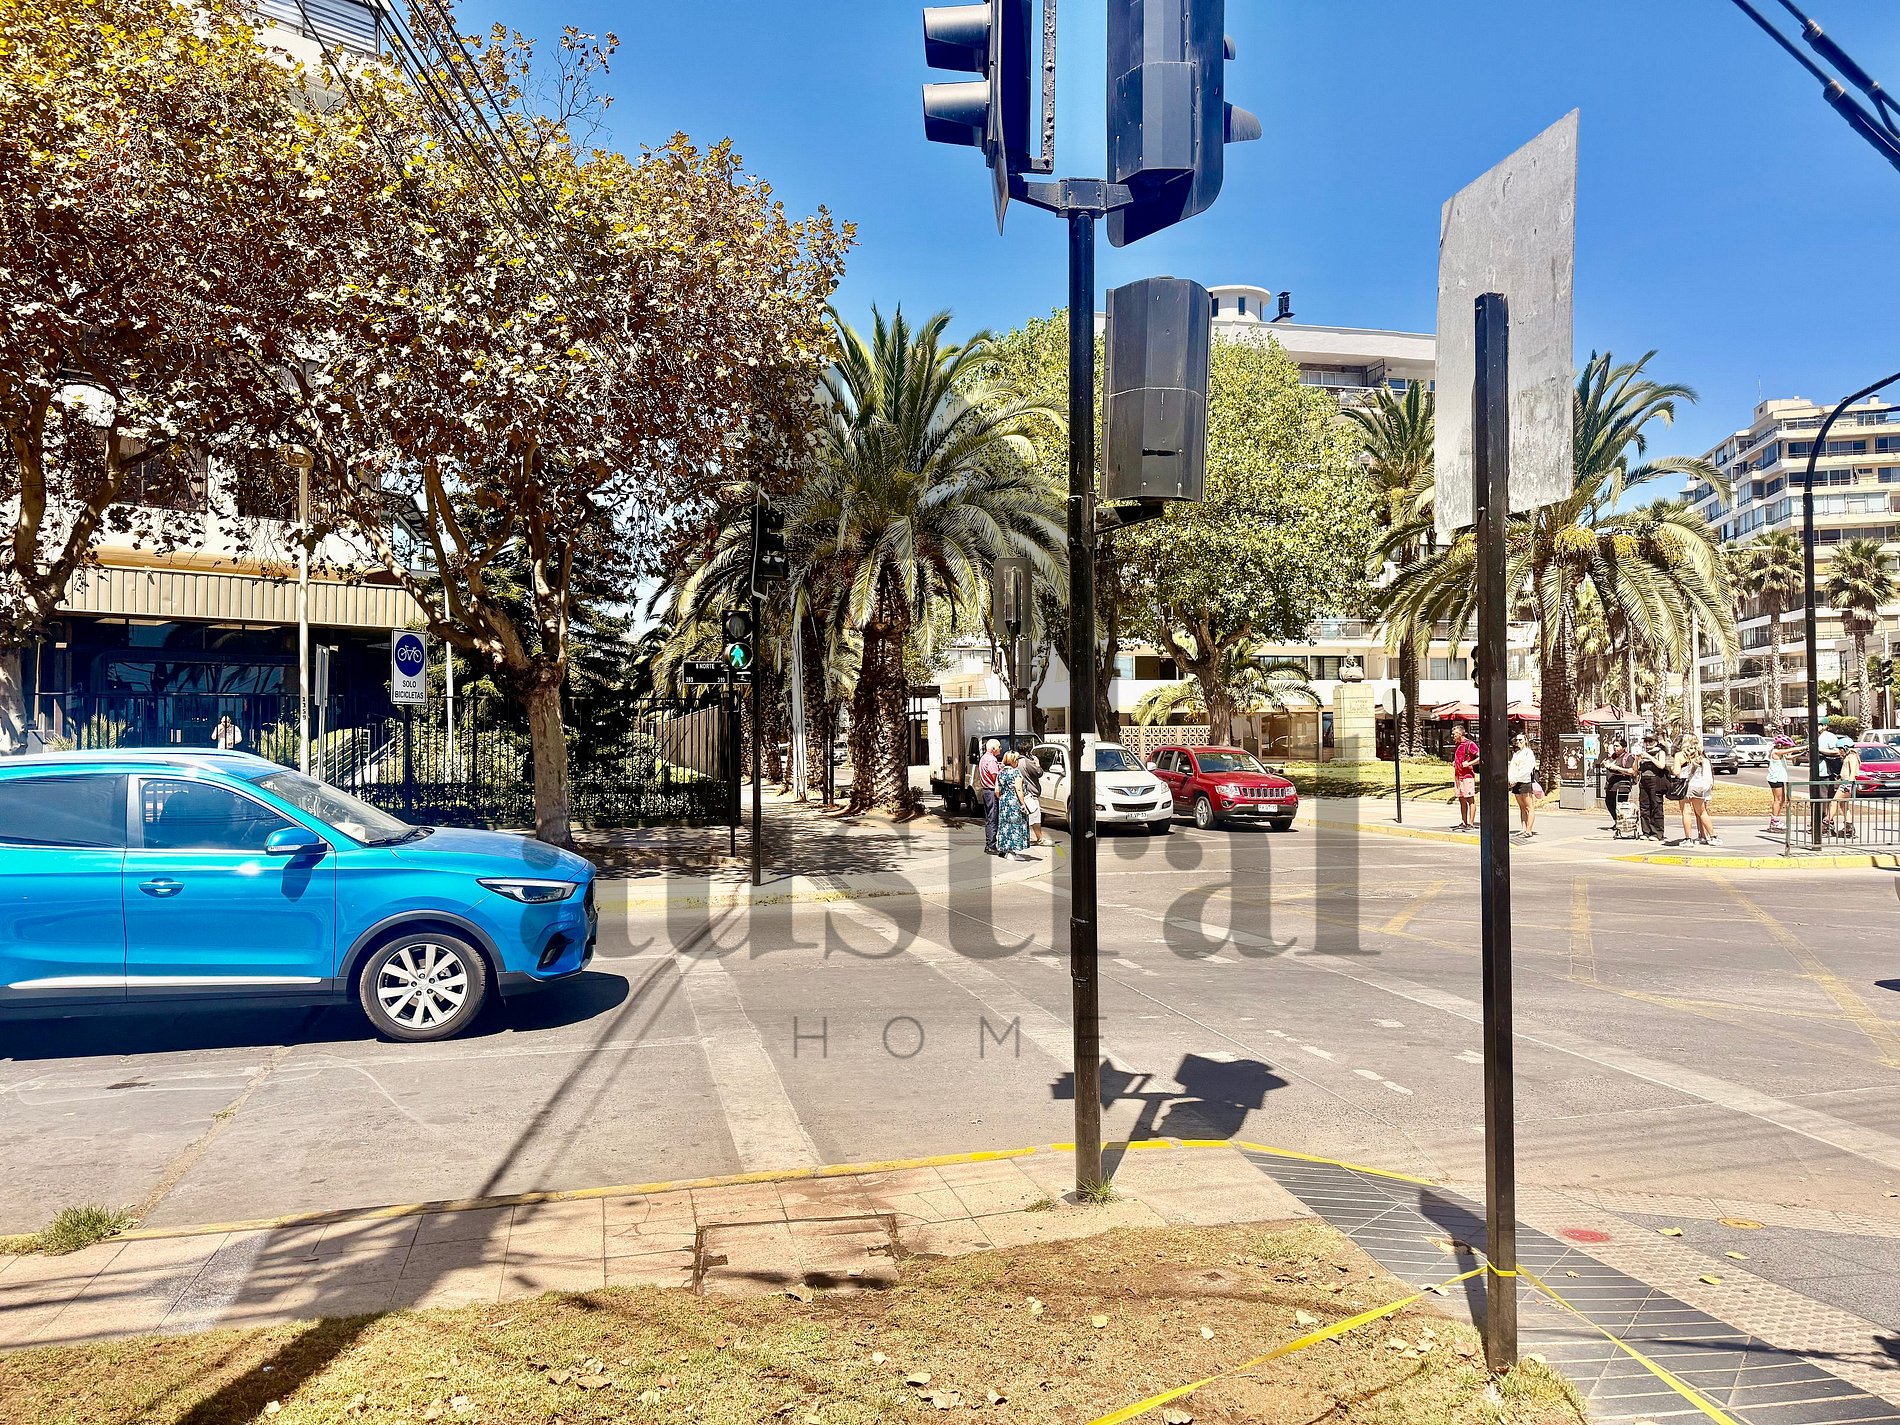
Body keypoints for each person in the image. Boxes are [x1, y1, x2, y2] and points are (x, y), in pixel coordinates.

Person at [1676, 737, 1716, 846]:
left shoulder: (1680, 755)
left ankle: (1688, 839)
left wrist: (1672, 769)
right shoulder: (1699, 755)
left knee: (1686, 812)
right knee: (1702, 812)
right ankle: (1713, 837)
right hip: (1698, 786)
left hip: (1686, 786)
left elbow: (1677, 772)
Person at [995, 750, 1032, 860]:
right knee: (1014, 826)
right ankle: (1012, 851)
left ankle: (1005, 849)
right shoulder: (1016, 773)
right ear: (1013, 761)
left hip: (1004, 803)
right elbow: (1019, 789)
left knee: (1005, 826)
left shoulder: (1001, 773)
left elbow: (997, 791)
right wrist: (1023, 804)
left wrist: (1004, 796)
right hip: (1014, 803)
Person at [1636, 734, 1674, 841]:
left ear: (1656, 742)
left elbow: (1661, 765)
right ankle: (1646, 831)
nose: (1648, 743)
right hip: (1644, 780)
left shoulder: (1660, 752)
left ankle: (1657, 832)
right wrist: (1637, 759)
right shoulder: (1644, 753)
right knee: (1644, 806)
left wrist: (1650, 757)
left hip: (1655, 781)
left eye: (1650, 741)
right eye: (1646, 741)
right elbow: (1637, 769)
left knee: (1656, 805)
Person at [1507, 733, 1538, 838]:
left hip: (1525, 782)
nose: (1518, 742)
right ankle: (1523, 829)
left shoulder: (1528, 753)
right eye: (1517, 740)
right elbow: (1512, 768)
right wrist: (1511, 779)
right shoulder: (1516, 754)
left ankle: (1529, 830)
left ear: (1525, 741)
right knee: (1522, 807)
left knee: (1529, 807)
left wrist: (1517, 779)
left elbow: (1528, 769)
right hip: (1516, 783)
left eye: (1521, 740)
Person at [1827, 739, 1860, 838]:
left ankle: (1827, 822)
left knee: (1834, 802)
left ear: (1845, 748)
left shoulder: (1852, 757)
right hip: (1845, 782)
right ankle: (1848, 827)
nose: (1839, 751)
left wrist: (1848, 784)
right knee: (1843, 805)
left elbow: (1853, 772)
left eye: (1840, 749)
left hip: (1847, 783)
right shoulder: (1849, 756)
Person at [1451, 722, 1480, 830]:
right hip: (1458, 776)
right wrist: (1455, 762)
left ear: (1460, 734)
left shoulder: (1470, 744)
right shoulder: (1458, 745)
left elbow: (1480, 757)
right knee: (1461, 799)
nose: (1453, 736)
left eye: (1454, 734)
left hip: (1467, 776)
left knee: (1470, 799)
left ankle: (1471, 823)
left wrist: (1469, 763)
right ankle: (1464, 822)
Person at [1601, 738, 1637, 825]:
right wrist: (1606, 764)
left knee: (1621, 805)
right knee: (1609, 803)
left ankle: (1622, 823)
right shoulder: (1612, 757)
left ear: (1623, 747)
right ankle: (1617, 821)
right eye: (1614, 746)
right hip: (1611, 785)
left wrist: (1616, 768)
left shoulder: (1628, 757)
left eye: (1617, 746)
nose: (1615, 748)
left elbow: (1631, 771)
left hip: (1622, 785)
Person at [977, 738, 1002, 855]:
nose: (1000, 749)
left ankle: (989, 844)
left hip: (986, 791)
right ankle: (991, 845)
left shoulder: (984, 758)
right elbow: (994, 776)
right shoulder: (991, 760)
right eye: (999, 747)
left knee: (989, 818)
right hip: (991, 791)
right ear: (993, 749)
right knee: (993, 818)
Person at [1765, 734, 1792, 831]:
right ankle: (1774, 821)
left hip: (1779, 779)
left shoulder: (1781, 753)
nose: (1787, 748)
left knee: (1782, 800)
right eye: (1786, 746)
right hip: (1775, 779)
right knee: (1778, 800)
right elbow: (1789, 751)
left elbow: (1789, 757)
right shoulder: (1776, 752)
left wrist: (1802, 752)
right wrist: (1805, 747)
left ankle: (1776, 819)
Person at [1020, 752, 1045, 846]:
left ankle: (1024, 838)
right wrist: (1037, 764)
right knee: (1035, 816)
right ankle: (1039, 838)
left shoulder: (1015, 762)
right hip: (1029, 794)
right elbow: (1038, 772)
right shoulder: (1026, 762)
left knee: (1025, 818)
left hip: (1023, 794)